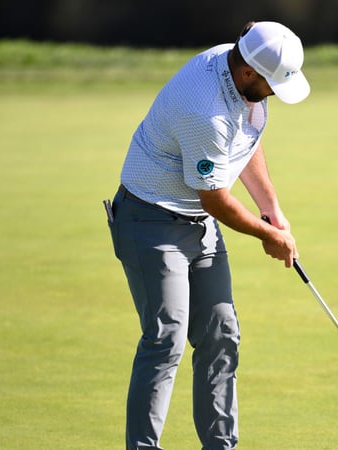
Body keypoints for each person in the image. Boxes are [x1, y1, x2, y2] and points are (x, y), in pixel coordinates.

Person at [107, 21, 310, 450]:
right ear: (250, 73)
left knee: (221, 332)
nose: (275, 92)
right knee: (166, 338)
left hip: (196, 224)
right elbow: (216, 199)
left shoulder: (240, 67)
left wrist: (270, 209)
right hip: (150, 221)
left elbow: (246, 142)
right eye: (273, 84)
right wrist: (266, 236)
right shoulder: (206, 112)